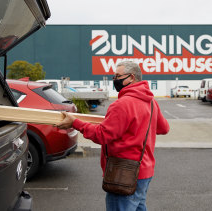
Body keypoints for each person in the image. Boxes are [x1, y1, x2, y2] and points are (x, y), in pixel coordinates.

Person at [57, 61, 170, 211]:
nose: (114, 80)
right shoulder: (151, 103)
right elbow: (164, 128)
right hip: (144, 173)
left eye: (117, 76)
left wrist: (75, 123)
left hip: (123, 175)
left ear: (131, 77)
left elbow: (102, 135)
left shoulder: (122, 104)